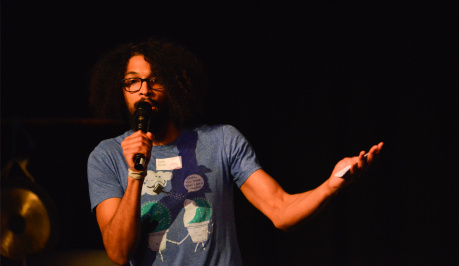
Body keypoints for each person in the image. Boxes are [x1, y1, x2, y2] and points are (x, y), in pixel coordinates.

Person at [87, 38, 383, 265]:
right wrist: (136, 172)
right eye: (132, 82)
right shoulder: (108, 156)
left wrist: (331, 185)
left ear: (174, 85)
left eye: (155, 79)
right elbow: (118, 252)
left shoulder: (222, 140)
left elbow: (280, 211)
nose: (144, 90)